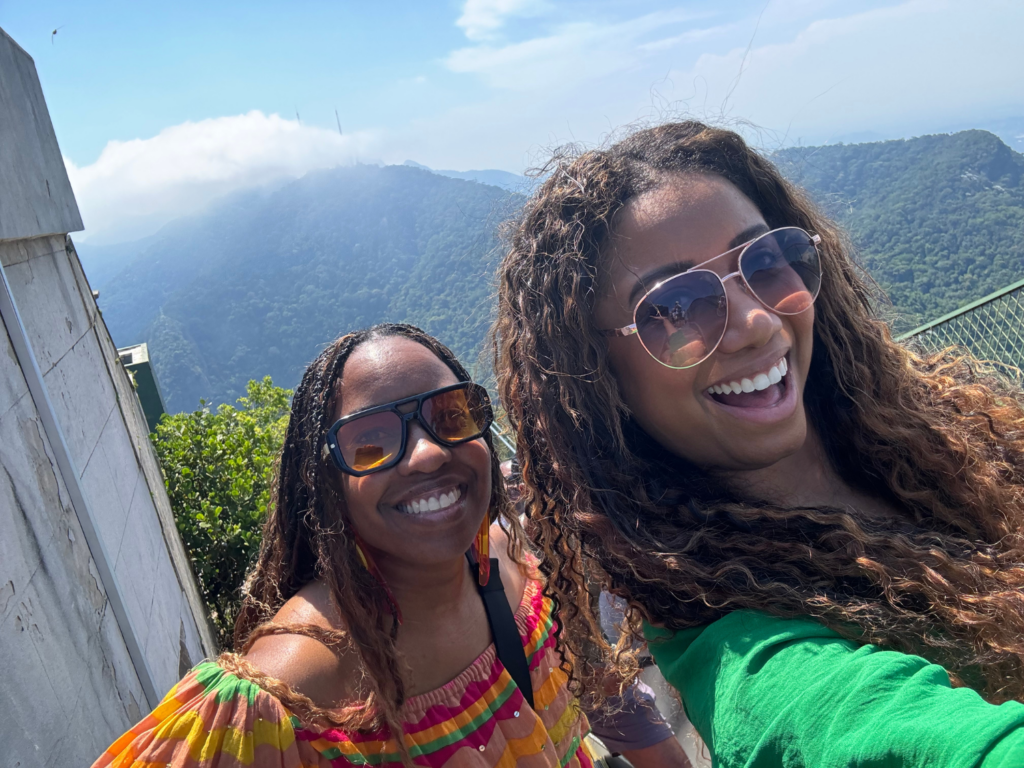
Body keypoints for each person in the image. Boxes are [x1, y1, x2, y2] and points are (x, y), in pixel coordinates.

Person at [493, 121, 1024, 766]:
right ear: (598, 380)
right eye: (675, 308)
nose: (757, 321)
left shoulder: (931, 438)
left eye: (765, 262)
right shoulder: (751, 659)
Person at [93, 323, 594, 768]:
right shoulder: (285, 696)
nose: (426, 453)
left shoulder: (513, 567)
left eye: (450, 415)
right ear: (328, 486)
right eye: (371, 441)